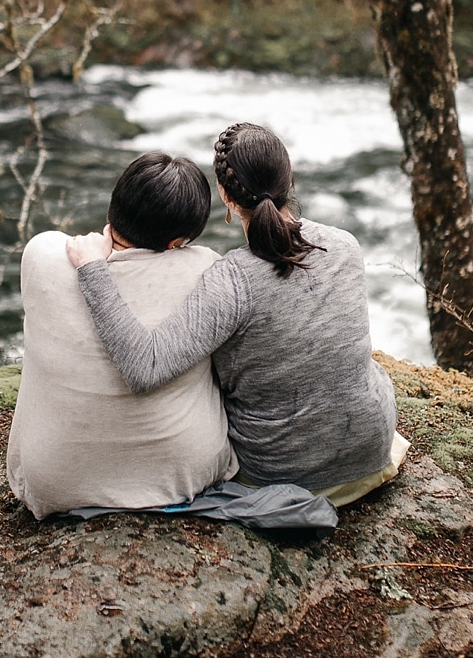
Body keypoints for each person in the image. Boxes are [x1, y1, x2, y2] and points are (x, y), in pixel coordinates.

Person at [65, 122, 405, 506]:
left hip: (281, 478)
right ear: (289, 179)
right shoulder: (345, 245)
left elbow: (146, 366)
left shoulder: (230, 280)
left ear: (224, 196)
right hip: (373, 454)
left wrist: (92, 270)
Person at [5, 151, 234, 522]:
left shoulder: (41, 255)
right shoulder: (205, 268)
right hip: (180, 476)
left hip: (54, 482)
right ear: (178, 242)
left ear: (115, 204)